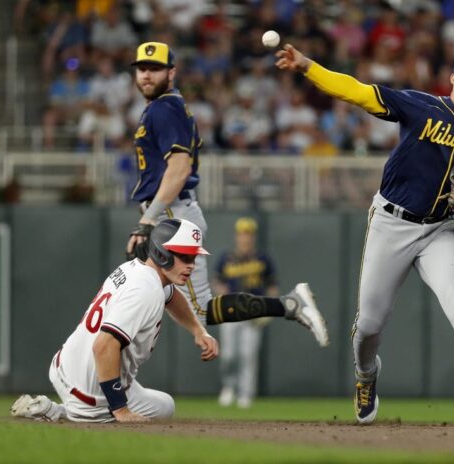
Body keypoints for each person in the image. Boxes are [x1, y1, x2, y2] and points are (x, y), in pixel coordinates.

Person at [275, 46, 454, 426]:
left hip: (440, 228)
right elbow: (357, 91)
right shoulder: (423, 107)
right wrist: (307, 66)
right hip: (392, 222)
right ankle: (366, 375)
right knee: (369, 325)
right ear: (453, 79)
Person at [124, 42, 329, 347]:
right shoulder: (162, 107)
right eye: (142, 68)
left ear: (172, 72)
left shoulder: (164, 108)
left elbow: (179, 168)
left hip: (170, 215)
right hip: (171, 213)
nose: (146, 75)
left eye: (155, 69)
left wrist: (147, 221)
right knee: (145, 294)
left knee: (192, 309)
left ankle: (289, 304)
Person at [11, 219, 219, 423]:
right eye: (184, 256)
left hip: (63, 366)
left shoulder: (135, 269)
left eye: (193, 258)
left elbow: (171, 295)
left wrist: (198, 330)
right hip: (90, 390)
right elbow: (103, 346)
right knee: (165, 406)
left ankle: (73, 407)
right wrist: (120, 409)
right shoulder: (146, 291)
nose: (191, 265)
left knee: (146, 393)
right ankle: (60, 412)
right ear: (162, 253)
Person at [215, 217, 278, 409]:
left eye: (248, 234)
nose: (245, 238)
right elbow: (218, 282)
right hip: (231, 311)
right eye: (243, 234)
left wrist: (269, 308)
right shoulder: (227, 258)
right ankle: (228, 387)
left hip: (253, 313)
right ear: (237, 236)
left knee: (248, 355)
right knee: (228, 355)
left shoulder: (263, 259)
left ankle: (246, 393)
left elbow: (272, 286)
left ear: (253, 237)